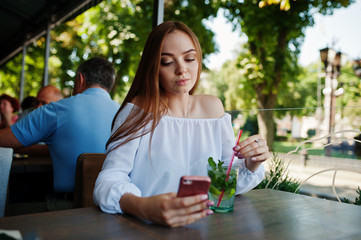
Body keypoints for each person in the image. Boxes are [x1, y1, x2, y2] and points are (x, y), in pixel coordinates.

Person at [93, 21, 269, 227]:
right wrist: (144, 207)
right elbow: (108, 180)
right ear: (153, 67)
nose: (182, 69)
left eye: (190, 58)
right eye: (167, 62)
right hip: (147, 229)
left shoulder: (213, 108)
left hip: (208, 228)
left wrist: (251, 163)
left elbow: (224, 183)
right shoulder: (137, 111)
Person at [0, 57, 120, 205]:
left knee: (13, 211)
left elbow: (3, 140)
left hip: (66, 208)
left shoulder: (57, 110)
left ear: (79, 80)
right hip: (112, 208)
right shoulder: (126, 114)